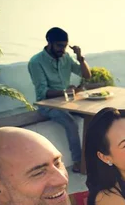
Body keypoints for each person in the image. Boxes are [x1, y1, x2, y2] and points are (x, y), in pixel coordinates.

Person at [28, 27, 91, 174]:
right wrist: (67, 92)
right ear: (49, 43)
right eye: (59, 45)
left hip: (68, 101)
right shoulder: (36, 62)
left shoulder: (66, 57)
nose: (62, 49)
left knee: (95, 114)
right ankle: (78, 162)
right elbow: (42, 93)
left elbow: (86, 75)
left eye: (64, 45)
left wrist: (80, 57)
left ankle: (95, 155)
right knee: (71, 123)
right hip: (47, 105)